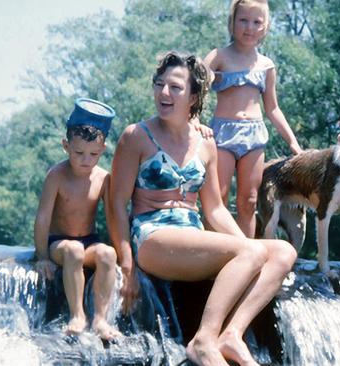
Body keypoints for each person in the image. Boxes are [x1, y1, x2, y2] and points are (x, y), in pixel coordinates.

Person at [108, 51, 297, 366]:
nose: (163, 93)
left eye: (175, 87)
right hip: (153, 237)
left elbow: (215, 210)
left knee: (282, 252)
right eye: (159, 84)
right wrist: (127, 267)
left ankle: (231, 334)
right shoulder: (136, 136)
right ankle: (204, 340)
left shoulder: (207, 143)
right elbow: (116, 203)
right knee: (249, 254)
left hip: (191, 235)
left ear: (194, 96)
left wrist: (248, 246)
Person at [203, 0, 302, 238]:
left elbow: (273, 109)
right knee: (219, 198)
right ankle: (210, 257)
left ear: (266, 26)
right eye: (243, 20)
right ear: (232, 22)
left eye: (257, 22)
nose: (249, 27)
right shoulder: (218, 57)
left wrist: (293, 143)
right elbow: (194, 90)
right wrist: (193, 124)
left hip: (254, 136)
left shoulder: (266, 65)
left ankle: (244, 255)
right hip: (222, 135)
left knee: (249, 201)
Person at [34, 98, 121, 340]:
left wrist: (124, 255)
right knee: (73, 250)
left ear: (102, 150)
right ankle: (77, 315)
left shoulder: (104, 178)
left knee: (107, 254)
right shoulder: (56, 175)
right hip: (59, 243)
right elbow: (43, 217)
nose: (86, 160)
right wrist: (41, 256)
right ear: (66, 146)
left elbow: (113, 218)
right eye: (78, 153)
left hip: (89, 241)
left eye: (93, 154)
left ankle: (101, 319)